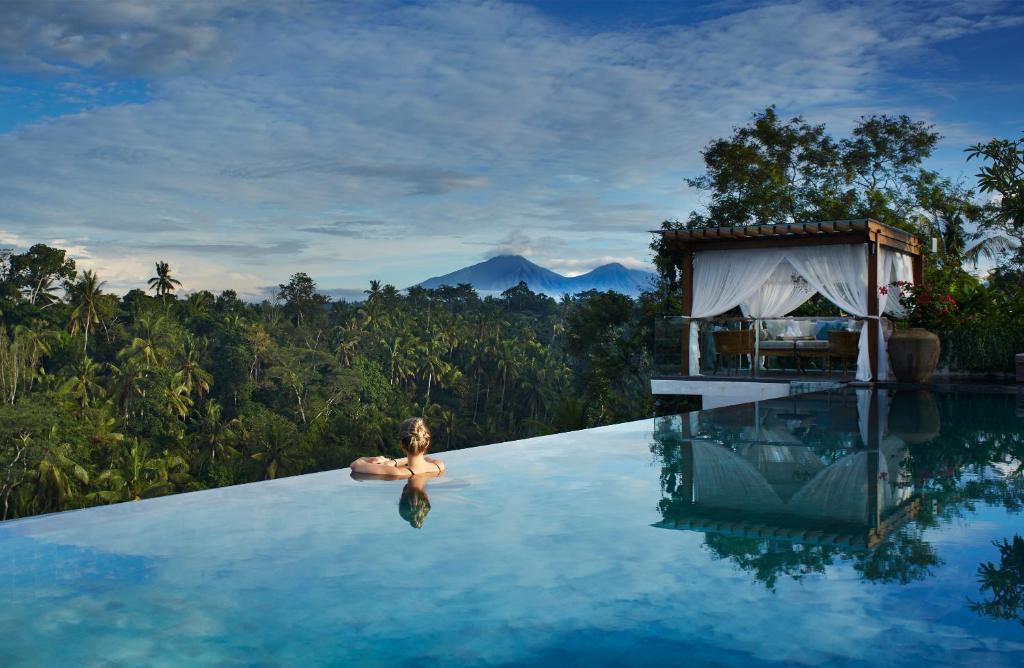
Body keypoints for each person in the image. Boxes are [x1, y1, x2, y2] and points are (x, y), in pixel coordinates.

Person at [350, 417, 445, 478]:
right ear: (427, 443)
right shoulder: (439, 465)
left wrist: (373, 459)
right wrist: (394, 462)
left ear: (402, 445)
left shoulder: (397, 473)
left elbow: (355, 465)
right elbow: (425, 458)